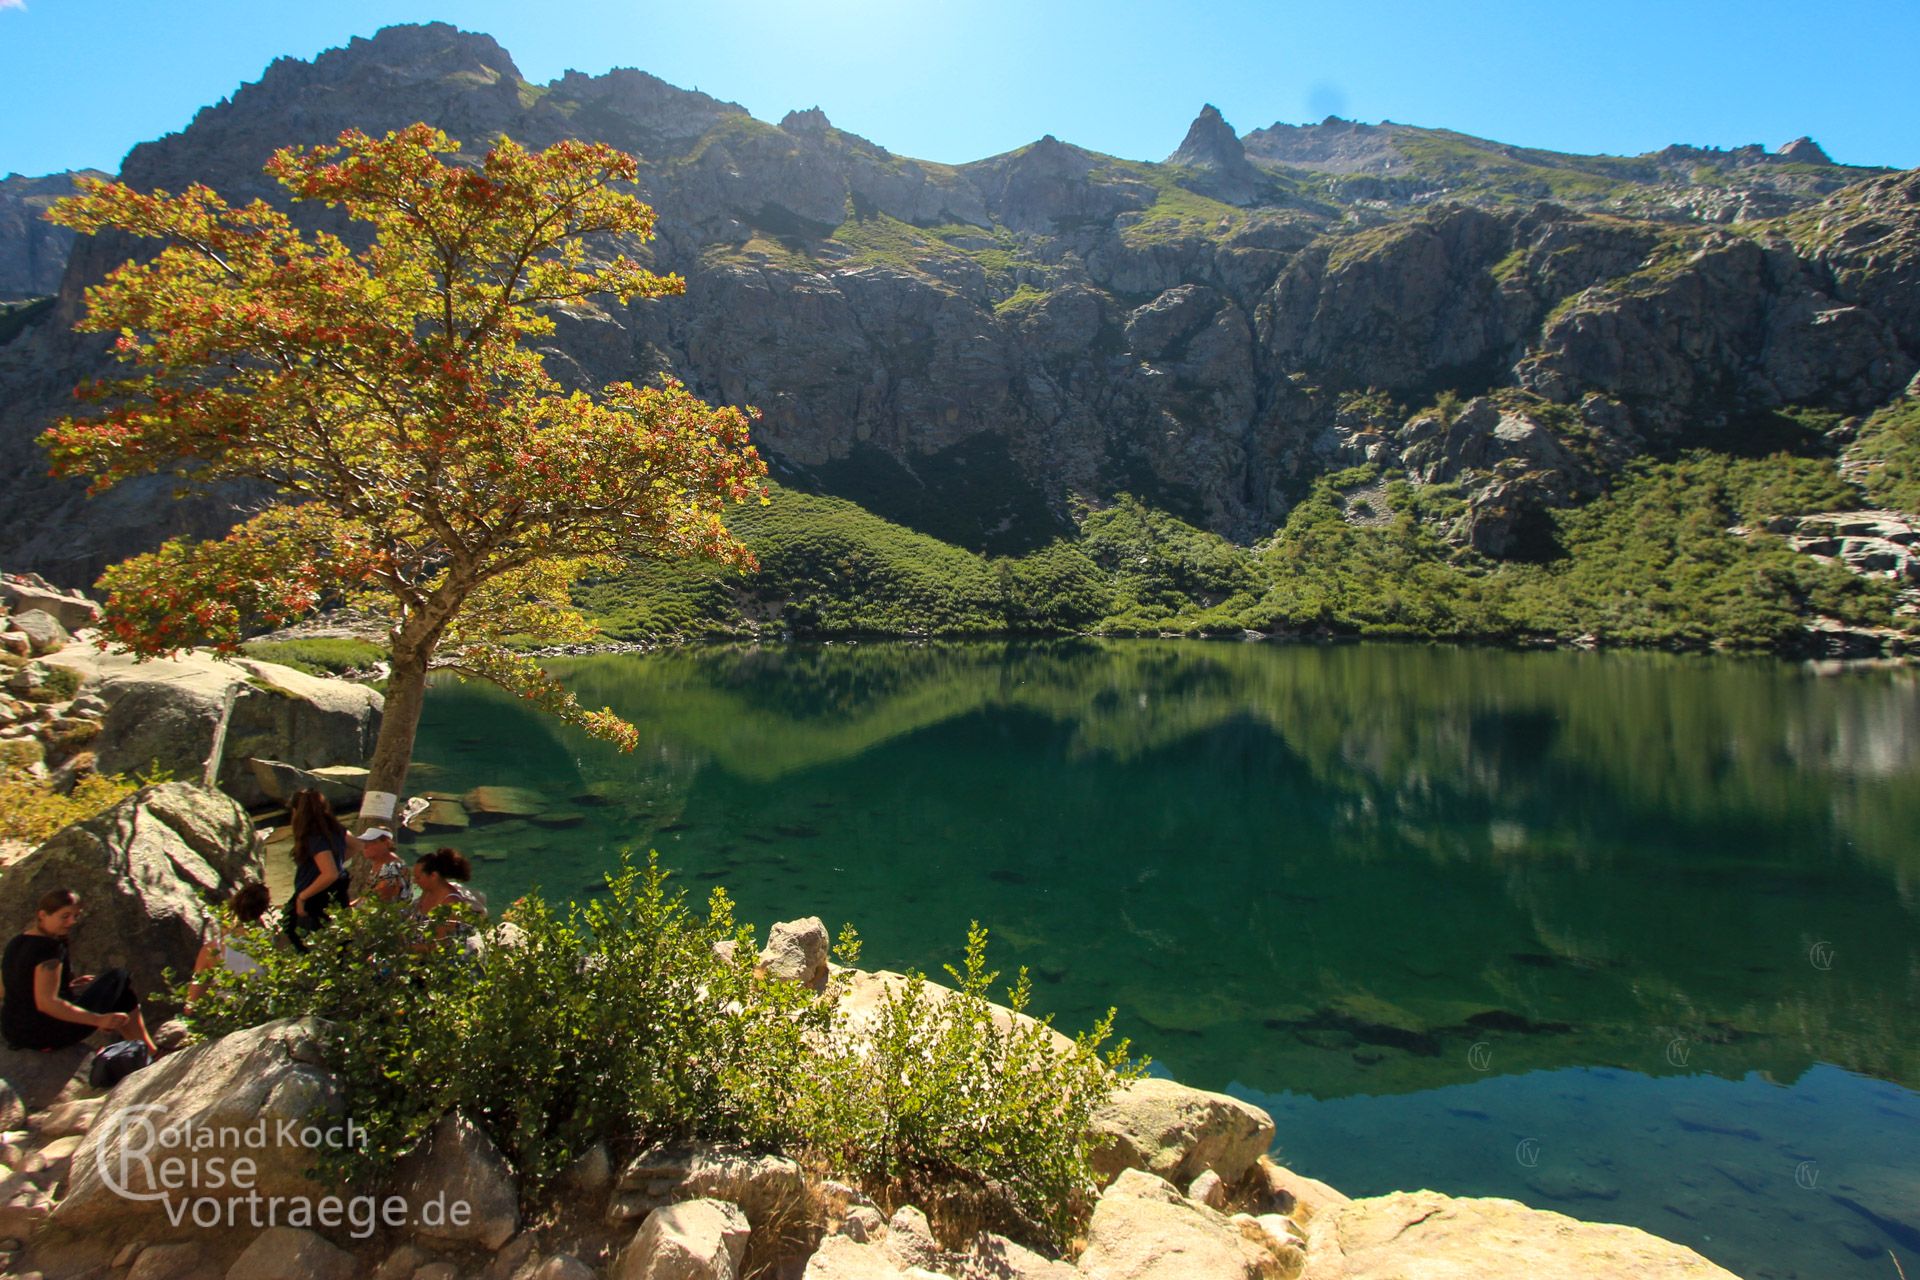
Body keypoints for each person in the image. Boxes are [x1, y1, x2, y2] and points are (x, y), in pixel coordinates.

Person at [2, 889, 159, 1054]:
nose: (71, 922)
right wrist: (99, 1020)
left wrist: (64, 985)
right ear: (42, 915)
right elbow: (47, 1003)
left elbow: (7, 987)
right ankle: (151, 1054)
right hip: (44, 1035)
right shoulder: (49, 949)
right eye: (65, 916)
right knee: (118, 977)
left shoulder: (16, 942)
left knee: (122, 996)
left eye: (75, 916)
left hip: (14, 1033)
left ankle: (148, 1052)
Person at [186, 881, 272, 1008]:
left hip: (229, 1015)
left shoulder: (213, 949)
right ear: (265, 911)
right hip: (267, 1015)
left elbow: (192, 1002)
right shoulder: (275, 942)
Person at [285, 789, 350, 949]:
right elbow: (356, 845)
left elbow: (330, 874)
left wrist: (302, 897)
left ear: (296, 811)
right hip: (336, 894)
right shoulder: (335, 829)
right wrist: (337, 860)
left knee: (299, 940)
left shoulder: (313, 836)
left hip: (316, 898)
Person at [408, 848, 487, 948]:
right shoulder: (427, 892)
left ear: (433, 876)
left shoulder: (451, 903)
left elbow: (439, 944)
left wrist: (407, 950)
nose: (415, 881)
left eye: (418, 877)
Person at [351, 826, 413, 906]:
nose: (365, 846)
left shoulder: (391, 867)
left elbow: (381, 898)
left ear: (387, 843)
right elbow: (367, 897)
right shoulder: (380, 864)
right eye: (364, 842)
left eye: (371, 842)